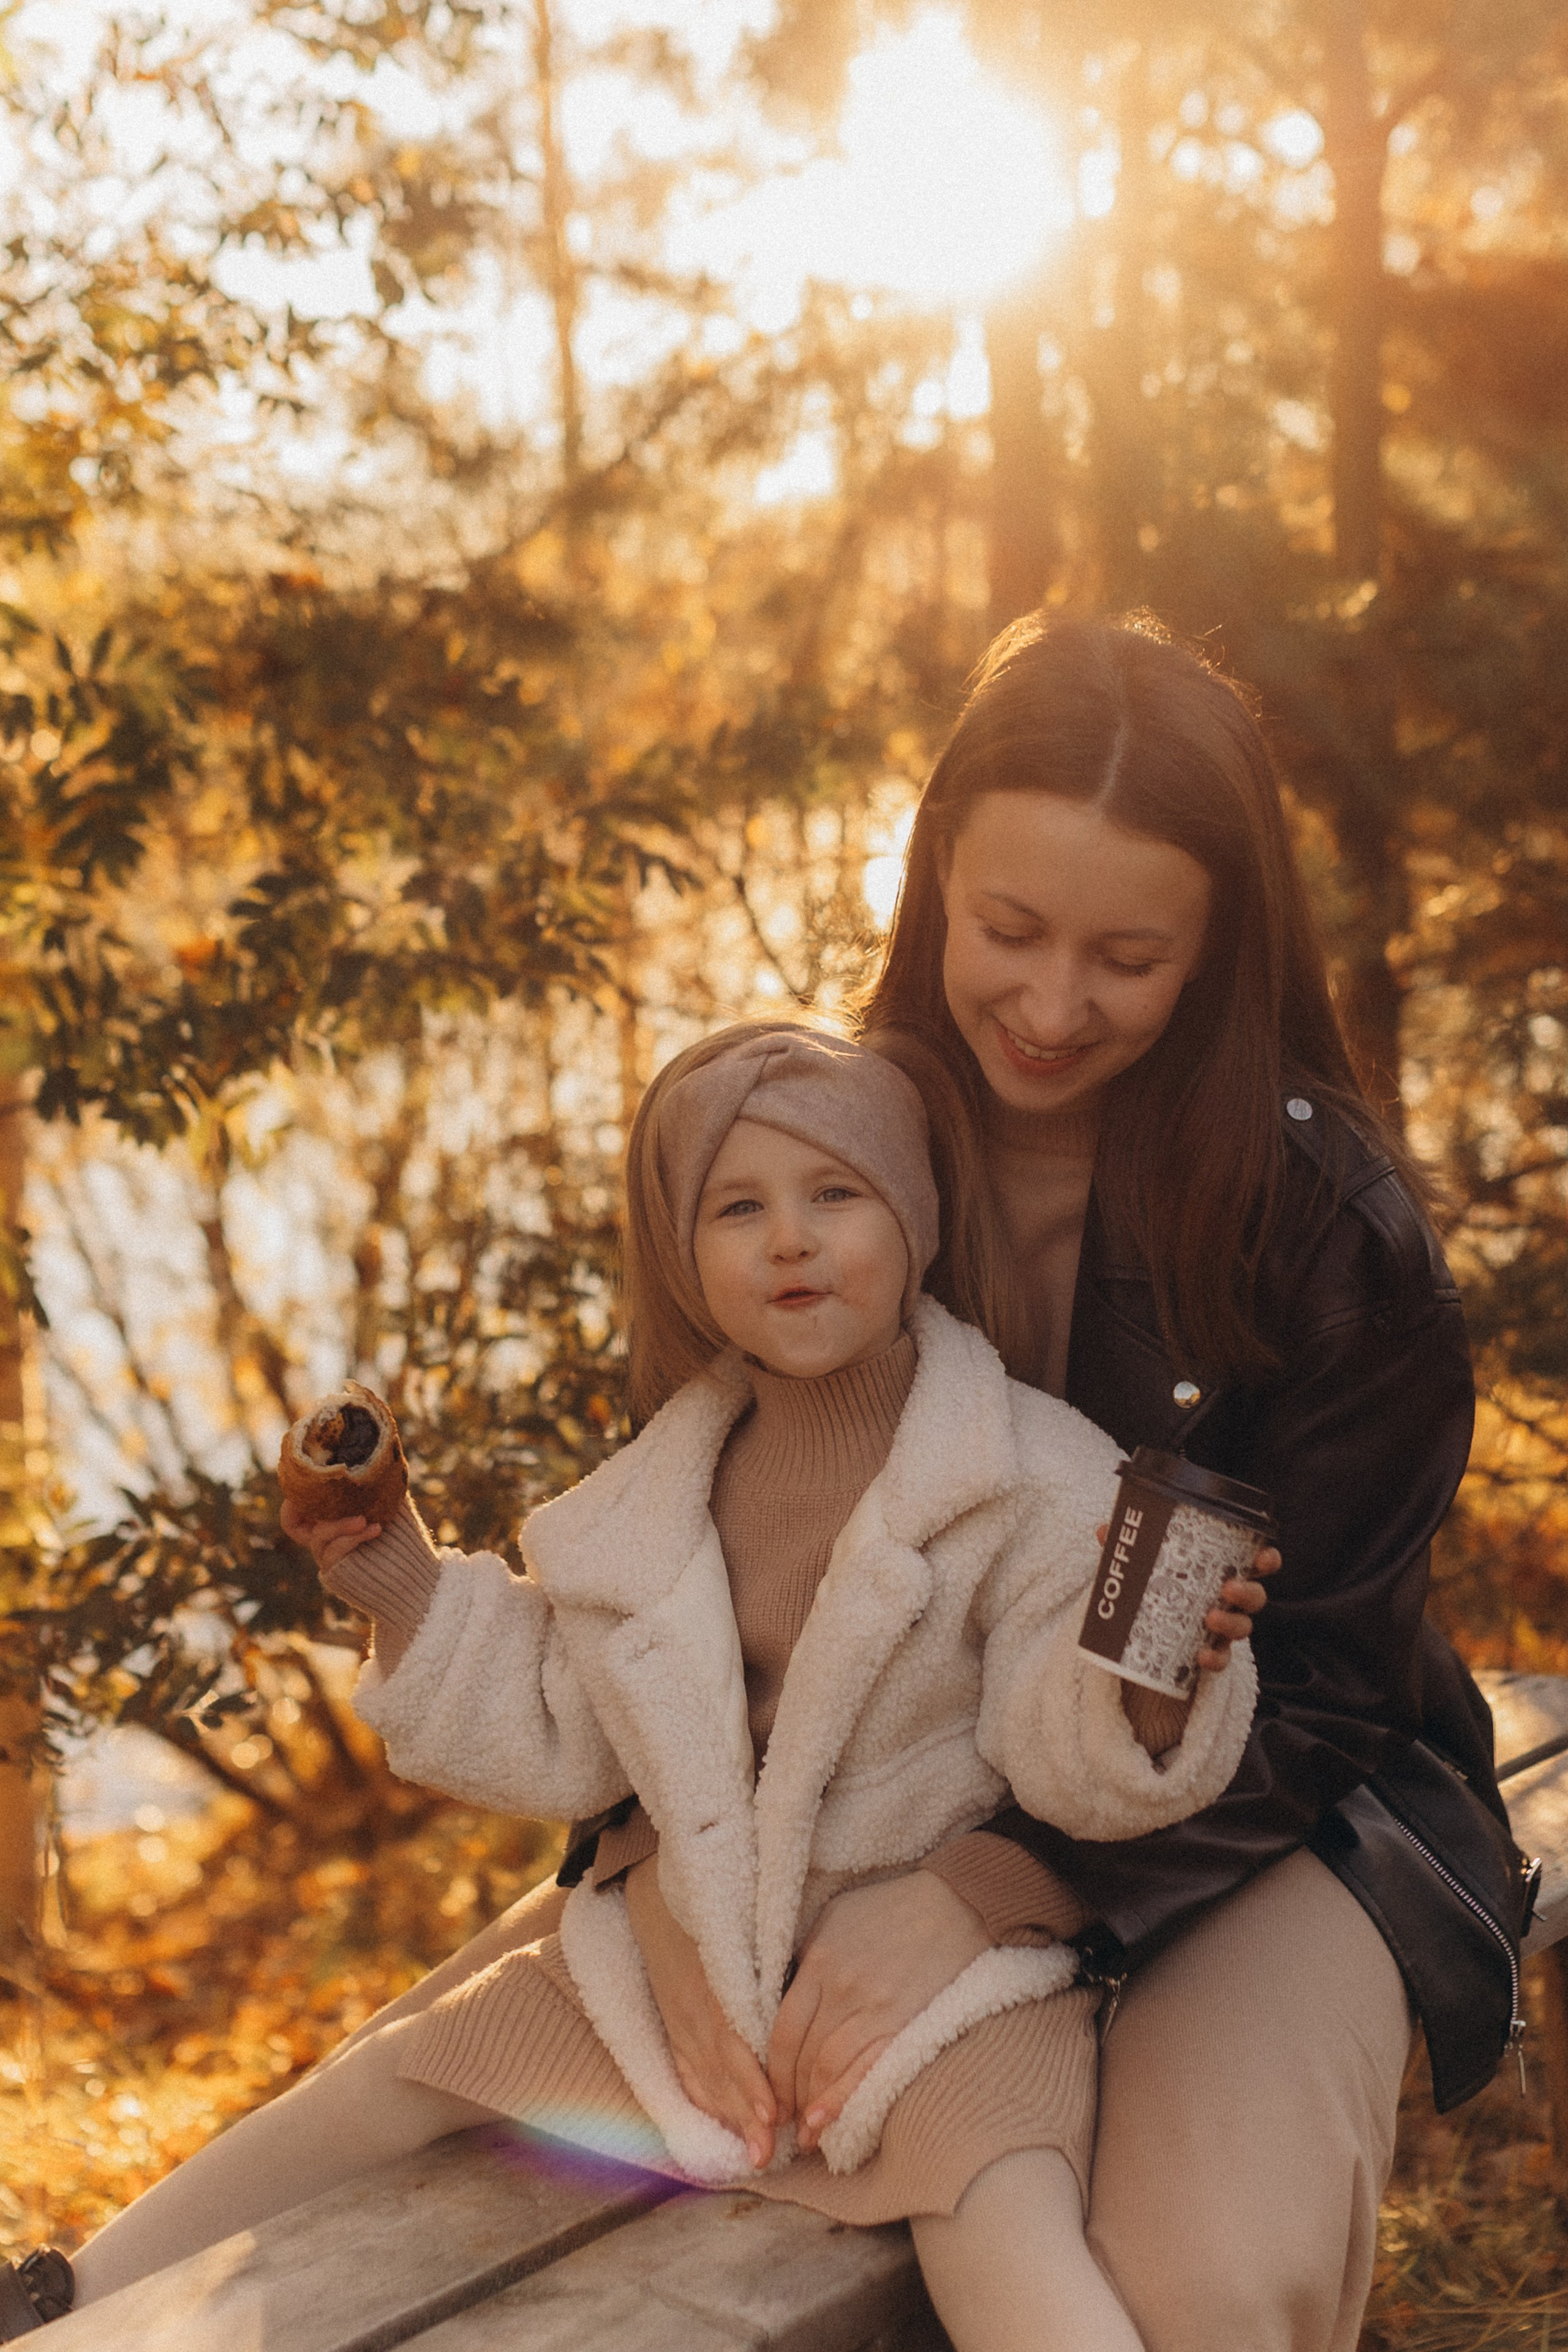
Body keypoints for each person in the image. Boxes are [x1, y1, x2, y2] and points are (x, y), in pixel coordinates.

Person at [38, 1021, 1267, 2352]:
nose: (789, 1241)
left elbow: (1063, 1747)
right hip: (688, 1955)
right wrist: (400, 1582)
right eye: (737, 1210)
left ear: (914, 1223)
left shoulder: (1030, 1477)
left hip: (933, 1997)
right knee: (395, 2072)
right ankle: (65, 2301)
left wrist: (1153, 1689)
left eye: (835, 1195)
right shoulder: (660, 1494)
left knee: (1001, 2214)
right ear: (684, 1259)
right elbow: (572, 1724)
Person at [606, 611, 1510, 2352]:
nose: (1047, 1006)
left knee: (1204, 2290)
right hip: (857, 1799)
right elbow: (658, 1560)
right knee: (464, 2146)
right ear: (934, 873)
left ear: (1218, 950)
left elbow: (1326, 1688)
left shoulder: (1332, 1234)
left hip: (1267, 1818)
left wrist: (983, 1893)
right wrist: (652, 1875)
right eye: (1008, 930)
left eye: (1126, 957)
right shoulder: (810, 1146)